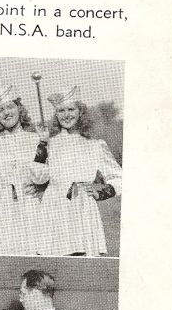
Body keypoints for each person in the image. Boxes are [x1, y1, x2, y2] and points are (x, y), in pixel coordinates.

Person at [35, 86, 122, 255]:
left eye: (71, 109)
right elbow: (38, 177)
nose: (66, 115)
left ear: (81, 112)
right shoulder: (49, 143)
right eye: (61, 111)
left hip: (83, 208)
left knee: (83, 257)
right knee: (55, 257)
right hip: (54, 207)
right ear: (56, 114)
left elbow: (119, 177)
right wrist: (43, 143)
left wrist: (102, 192)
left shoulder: (95, 144)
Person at [0, 85, 49, 255]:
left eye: (10, 107)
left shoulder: (36, 139)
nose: (6, 113)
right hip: (1, 206)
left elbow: (43, 176)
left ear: (19, 109)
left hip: (30, 203)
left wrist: (40, 187)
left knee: (33, 252)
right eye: (0, 110)